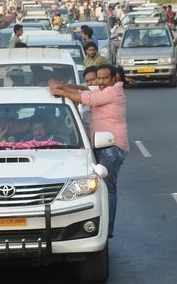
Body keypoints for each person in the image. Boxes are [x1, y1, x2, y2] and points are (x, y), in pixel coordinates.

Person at [49, 63, 128, 237]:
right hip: (101, 145)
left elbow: (87, 98)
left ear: (114, 79)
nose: (100, 81)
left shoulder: (114, 91)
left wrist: (60, 92)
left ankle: (107, 229)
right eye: (98, 78)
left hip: (112, 146)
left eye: (104, 78)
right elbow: (84, 90)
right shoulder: (103, 89)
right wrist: (62, 86)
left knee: (108, 189)